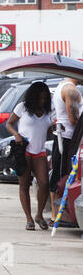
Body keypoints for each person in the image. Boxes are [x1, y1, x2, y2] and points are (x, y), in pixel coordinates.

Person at [6, 82, 53, 231]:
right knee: (24, 185)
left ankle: (39, 214)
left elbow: (49, 130)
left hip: (40, 151)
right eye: (39, 98)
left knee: (44, 183)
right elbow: (9, 124)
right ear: (33, 97)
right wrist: (16, 134)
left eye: (45, 98)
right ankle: (29, 219)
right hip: (24, 150)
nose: (42, 101)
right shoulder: (22, 108)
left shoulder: (48, 111)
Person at [49, 77, 83, 226]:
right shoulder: (71, 90)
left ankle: (56, 214)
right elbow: (74, 119)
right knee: (63, 175)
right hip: (69, 138)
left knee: (59, 173)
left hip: (63, 137)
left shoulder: (62, 86)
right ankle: (57, 215)